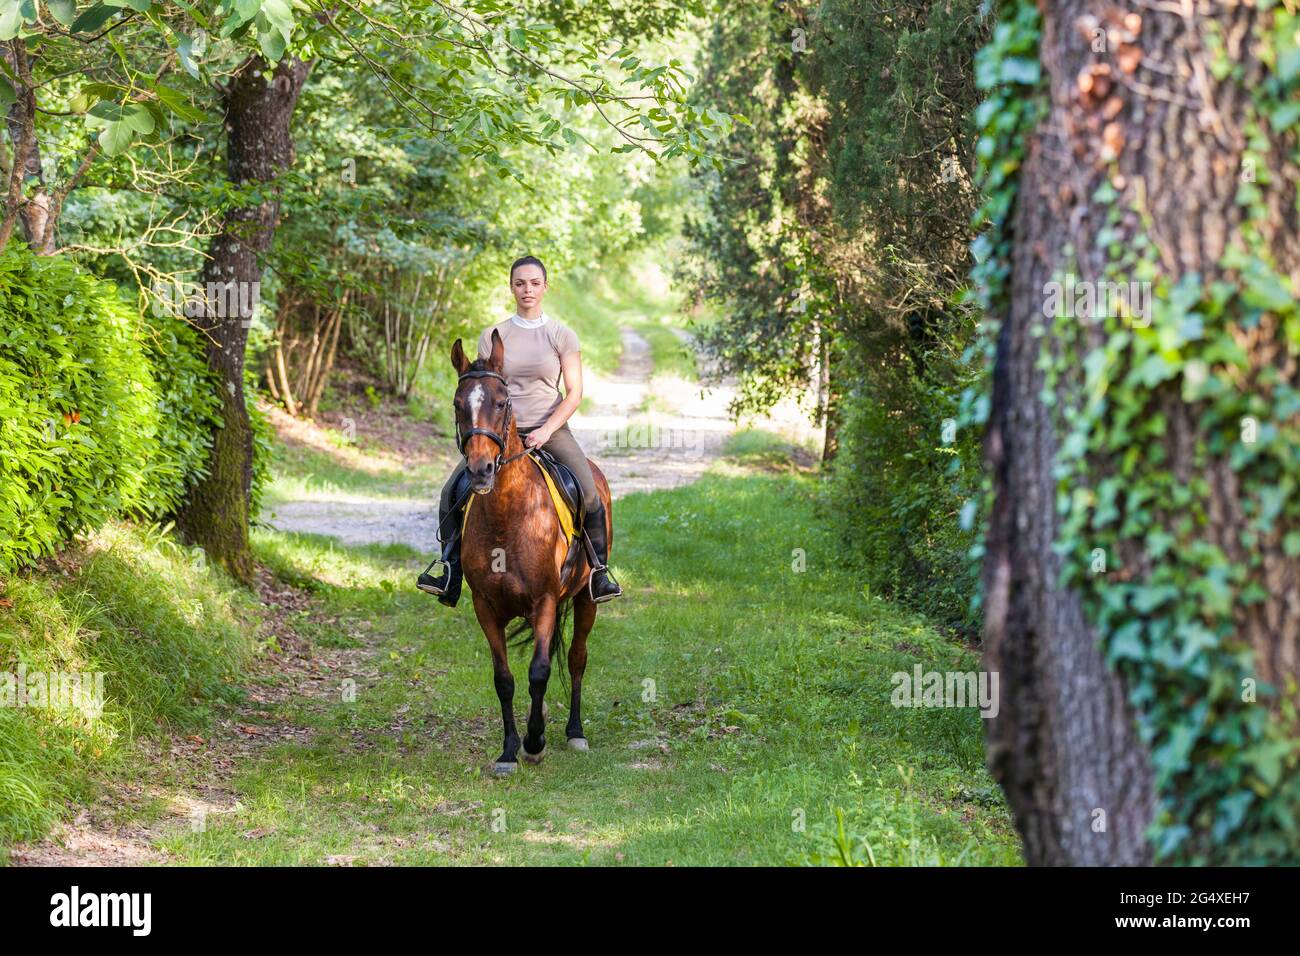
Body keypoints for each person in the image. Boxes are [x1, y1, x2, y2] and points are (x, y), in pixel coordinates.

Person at [417, 254, 623, 607]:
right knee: (451, 493)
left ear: (544, 287)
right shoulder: (494, 335)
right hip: (497, 436)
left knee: (589, 492)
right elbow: (480, 390)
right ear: (511, 287)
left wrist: (545, 431)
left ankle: (599, 572)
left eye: (534, 283)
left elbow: (574, 393)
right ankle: (449, 569)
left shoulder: (561, 334)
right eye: (520, 283)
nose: (527, 289)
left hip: (550, 429)